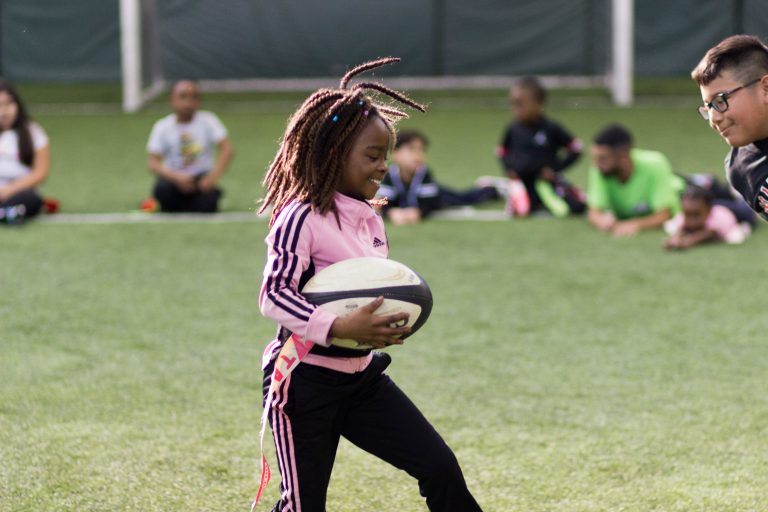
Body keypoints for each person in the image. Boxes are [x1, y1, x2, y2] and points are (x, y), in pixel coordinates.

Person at [255, 58, 483, 512]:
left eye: (385, 155)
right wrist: (337, 328)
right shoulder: (299, 216)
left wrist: (383, 325)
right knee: (301, 506)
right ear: (333, 153)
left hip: (361, 379)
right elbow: (274, 295)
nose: (382, 166)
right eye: (372, 155)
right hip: (304, 383)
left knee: (440, 467)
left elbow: (363, 292)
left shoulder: (370, 218)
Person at [691, 34, 768, 222]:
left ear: (765, 88)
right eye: (708, 107)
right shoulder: (743, 168)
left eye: (720, 100)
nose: (714, 118)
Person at [495, 76, 585, 217]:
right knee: (522, 211)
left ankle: (568, 190)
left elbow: (576, 148)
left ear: (538, 104)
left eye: (520, 104)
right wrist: (509, 169)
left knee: (576, 207)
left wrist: (555, 169)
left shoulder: (551, 128)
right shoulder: (513, 129)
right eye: (512, 104)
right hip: (522, 182)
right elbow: (502, 152)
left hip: (544, 181)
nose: (515, 109)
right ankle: (499, 188)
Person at [145, 80, 233, 212]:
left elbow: (227, 149)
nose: (188, 102)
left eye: (193, 97)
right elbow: (153, 162)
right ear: (172, 100)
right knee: (163, 191)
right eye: (183, 96)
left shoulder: (208, 121)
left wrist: (211, 178)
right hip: (173, 179)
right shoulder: (162, 126)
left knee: (208, 203)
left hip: (200, 180)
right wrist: (176, 178)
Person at [376, 129, 498, 225]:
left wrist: (417, 213)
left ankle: (491, 189)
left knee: (464, 198)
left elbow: (427, 205)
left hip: (440, 196)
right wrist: (392, 213)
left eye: (421, 150)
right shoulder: (390, 174)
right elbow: (385, 202)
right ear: (395, 153)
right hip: (422, 199)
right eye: (411, 150)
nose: (418, 155)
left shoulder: (423, 172)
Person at [587, 123, 684, 237]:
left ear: (623, 157)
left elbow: (664, 215)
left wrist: (636, 224)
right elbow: (593, 212)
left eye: (602, 158)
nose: (596, 164)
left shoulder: (655, 163)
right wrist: (603, 221)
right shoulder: (600, 170)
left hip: (682, 191)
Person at [0, 79, 53, 225]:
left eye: (8, 104)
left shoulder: (32, 132)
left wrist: (10, 189)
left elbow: (40, 173)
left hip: (17, 192)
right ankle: (7, 214)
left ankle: (7, 212)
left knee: (32, 200)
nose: (4, 111)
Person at [663, 186, 751, 250]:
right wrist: (675, 238)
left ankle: (742, 191)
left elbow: (709, 234)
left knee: (748, 207)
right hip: (716, 204)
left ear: (709, 210)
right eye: (687, 215)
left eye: (696, 215)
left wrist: (688, 242)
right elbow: (682, 229)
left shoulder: (718, 220)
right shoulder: (683, 216)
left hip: (735, 212)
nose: (691, 221)